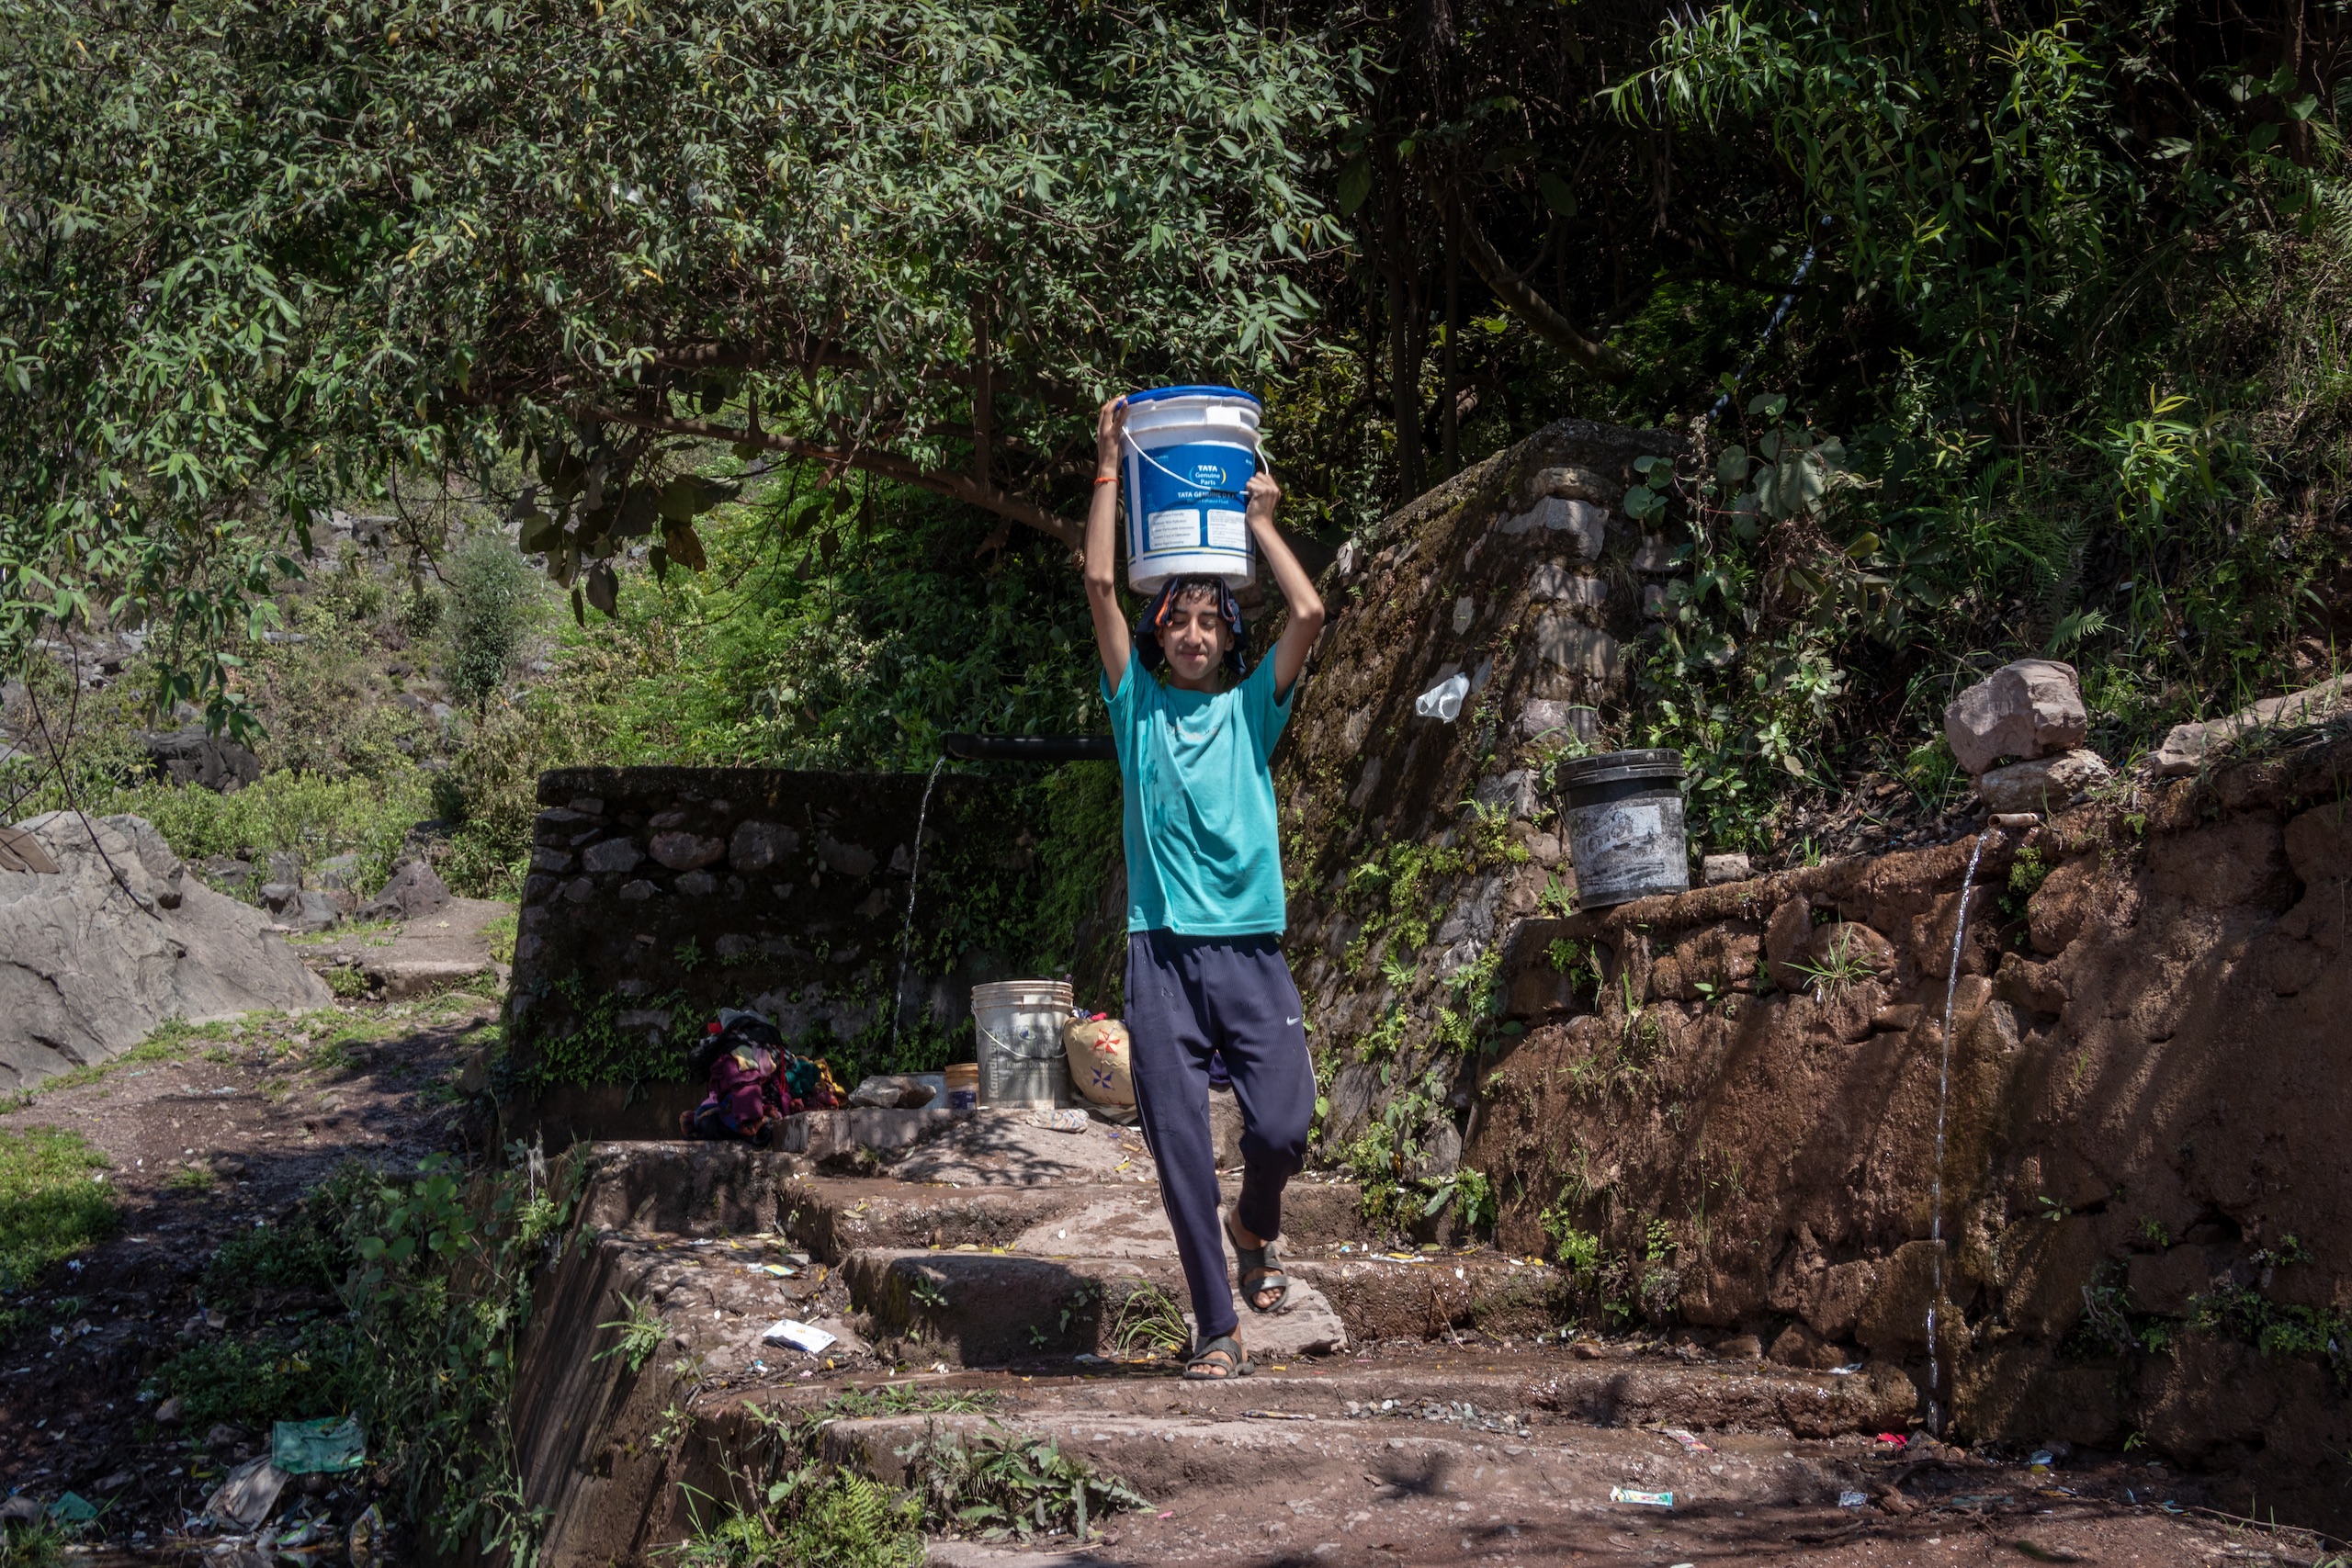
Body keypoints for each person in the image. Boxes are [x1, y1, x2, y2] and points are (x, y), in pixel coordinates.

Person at [1080, 393, 1326, 1382]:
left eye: (1205, 622)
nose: (1189, 634)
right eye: (1174, 621)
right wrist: (1108, 464)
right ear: (1157, 637)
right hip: (1159, 956)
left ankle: (1254, 1223)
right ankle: (1215, 1327)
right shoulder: (1132, 708)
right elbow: (1100, 581)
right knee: (1179, 1143)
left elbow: (1308, 612)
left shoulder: (1252, 710)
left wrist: (1260, 524)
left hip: (1251, 946)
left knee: (1282, 1123)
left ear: (1227, 639)